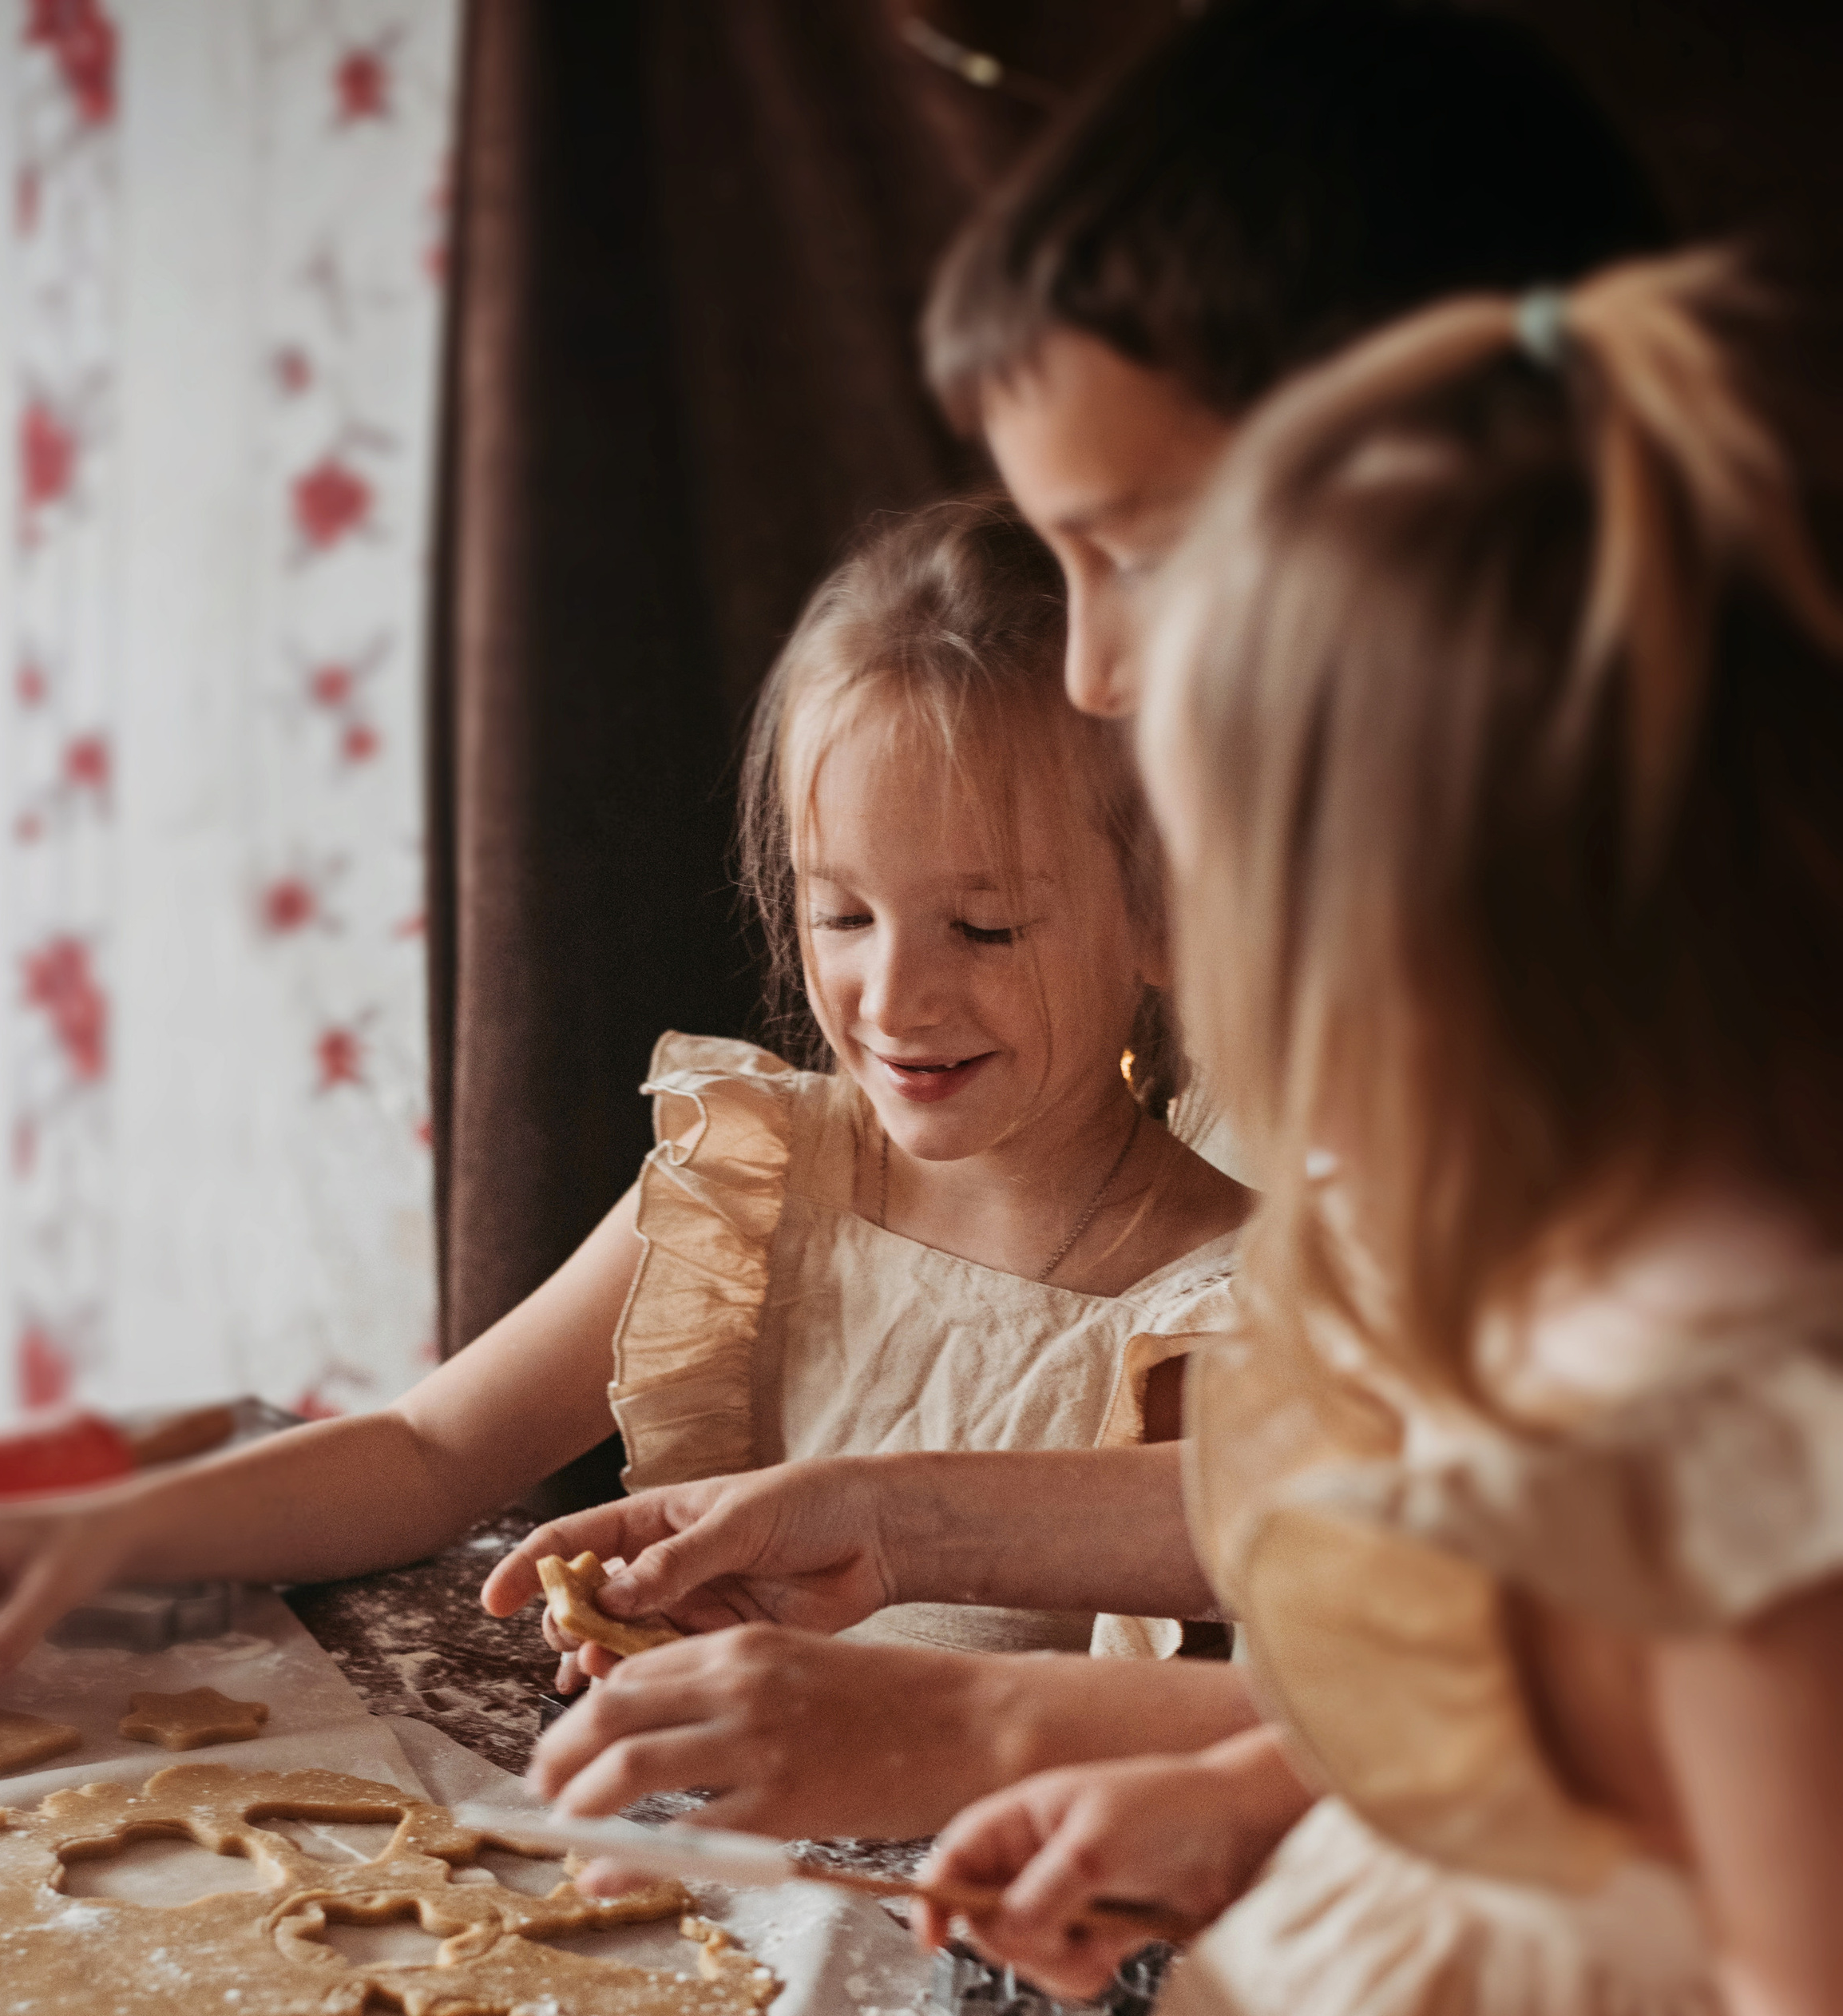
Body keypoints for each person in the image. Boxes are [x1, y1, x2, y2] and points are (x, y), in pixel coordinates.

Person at [0, 247, 1843, 2016]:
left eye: (1258, 920)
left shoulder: (1751, 1433)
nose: (1264, 1041)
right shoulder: (1557, 1300)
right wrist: (1248, 1799)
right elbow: (1554, 1735)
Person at [492, 0, 1671, 1839]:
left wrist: (979, 1723)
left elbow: (1636, 1722)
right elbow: (1417, 1526)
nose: (1097, 672)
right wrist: (891, 1524)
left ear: (1427, 500)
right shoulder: (1423, 944)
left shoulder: (1685, 1018)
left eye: (1140, 557)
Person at [0, 500, 1247, 1793]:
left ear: (1162, 915)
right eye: (842, 914)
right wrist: (98, 1532)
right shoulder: (757, 1178)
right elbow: (427, 1450)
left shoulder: (1224, 1307)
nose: (893, 997)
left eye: (984, 926)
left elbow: (1232, 1742)